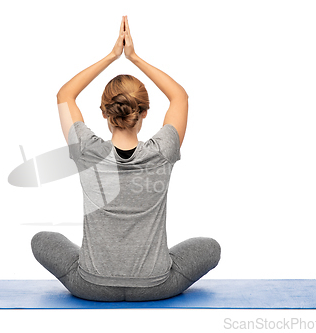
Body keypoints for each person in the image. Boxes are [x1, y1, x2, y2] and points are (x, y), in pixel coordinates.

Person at [31, 15, 220, 302]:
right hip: (156, 286)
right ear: (144, 112)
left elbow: (65, 94)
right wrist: (134, 57)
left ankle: (108, 266)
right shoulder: (163, 150)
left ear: (104, 112)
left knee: (41, 240)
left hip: (90, 286)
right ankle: (142, 267)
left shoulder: (86, 149)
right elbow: (179, 97)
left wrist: (111, 56)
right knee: (211, 248)